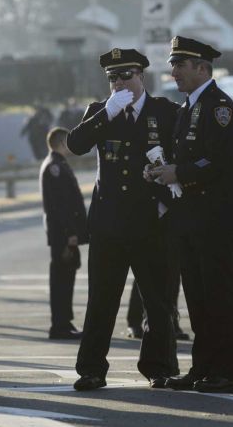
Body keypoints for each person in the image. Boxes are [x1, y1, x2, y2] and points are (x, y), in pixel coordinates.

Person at [67, 48, 179, 391]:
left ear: (141, 75)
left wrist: (168, 197)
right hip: (109, 222)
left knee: (158, 302)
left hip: (150, 220)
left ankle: (158, 367)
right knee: (102, 299)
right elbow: (76, 144)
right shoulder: (101, 111)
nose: (119, 83)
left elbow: (178, 158)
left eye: (126, 75)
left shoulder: (165, 111)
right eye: (113, 78)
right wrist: (106, 113)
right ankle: (91, 369)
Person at [150, 36, 233, 394]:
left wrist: (181, 172)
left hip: (215, 217)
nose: (173, 72)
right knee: (197, 297)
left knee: (219, 296)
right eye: (173, 64)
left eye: (180, 65)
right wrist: (163, 171)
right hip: (190, 217)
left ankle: (226, 372)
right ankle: (202, 368)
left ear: (202, 68)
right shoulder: (189, 106)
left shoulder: (219, 107)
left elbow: (219, 161)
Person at [40, 127, 88, 339]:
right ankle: (59, 325)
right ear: (61, 142)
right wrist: (70, 232)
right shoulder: (54, 167)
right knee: (61, 279)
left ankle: (64, 322)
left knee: (66, 278)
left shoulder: (58, 164)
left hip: (64, 233)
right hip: (63, 234)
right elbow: (60, 206)